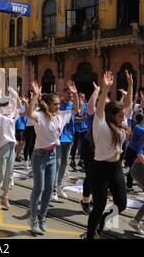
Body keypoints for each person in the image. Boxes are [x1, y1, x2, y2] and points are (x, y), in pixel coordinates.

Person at [26, 80, 79, 235]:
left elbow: (76, 109)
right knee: (39, 188)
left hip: (52, 155)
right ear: (48, 104)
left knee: (50, 189)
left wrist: (75, 94)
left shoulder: (60, 116)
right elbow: (29, 113)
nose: (58, 106)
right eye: (55, 104)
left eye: (58, 104)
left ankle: (42, 217)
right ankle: (33, 218)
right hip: (39, 156)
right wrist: (35, 96)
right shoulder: (40, 116)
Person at [84, 70, 133, 239]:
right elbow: (99, 109)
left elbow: (128, 106)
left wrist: (131, 85)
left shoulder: (120, 124)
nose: (123, 118)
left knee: (121, 204)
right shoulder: (101, 124)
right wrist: (105, 89)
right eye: (120, 116)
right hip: (101, 169)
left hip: (116, 167)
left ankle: (103, 221)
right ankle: (91, 235)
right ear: (112, 115)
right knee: (98, 206)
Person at [0, 86, 21, 210]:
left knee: (9, 174)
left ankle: (5, 196)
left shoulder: (11, 118)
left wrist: (14, 93)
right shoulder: (0, 118)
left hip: (11, 146)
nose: (11, 108)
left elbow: (19, 106)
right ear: (3, 107)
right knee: (0, 174)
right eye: (8, 106)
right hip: (1, 147)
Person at [79, 82, 100, 215]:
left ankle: (95, 200)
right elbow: (90, 107)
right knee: (91, 175)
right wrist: (97, 91)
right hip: (89, 146)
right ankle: (85, 201)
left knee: (100, 176)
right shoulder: (94, 114)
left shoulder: (109, 117)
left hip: (101, 148)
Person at [54, 87, 75, 202]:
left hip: (69, 137)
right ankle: (53, 189)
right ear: (64, 93)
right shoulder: (59, 104)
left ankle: (59, 185)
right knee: (56, 163)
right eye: (68, 93)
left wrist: (73, 137)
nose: (70, 95)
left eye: (72, 94)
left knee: (64, 163)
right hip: (59, 137)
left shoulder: (72, 104)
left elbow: (77, 110)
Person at [124, 113, 144, 194]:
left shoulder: (140, 127)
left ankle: (139, 184)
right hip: (133, 151)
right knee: (132, 170)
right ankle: (129, 187)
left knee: (138, 169)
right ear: (142, 119)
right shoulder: (139, 128)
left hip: (136, 151)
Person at [23, 91, 36, 170]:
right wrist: (27, 102)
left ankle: (31, 159)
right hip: (28, 126)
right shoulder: (28, 104)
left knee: (33, 144)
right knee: (28, 144)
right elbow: (27, 112)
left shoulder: (36, 105)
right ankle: (26, 160)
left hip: (34, 127)